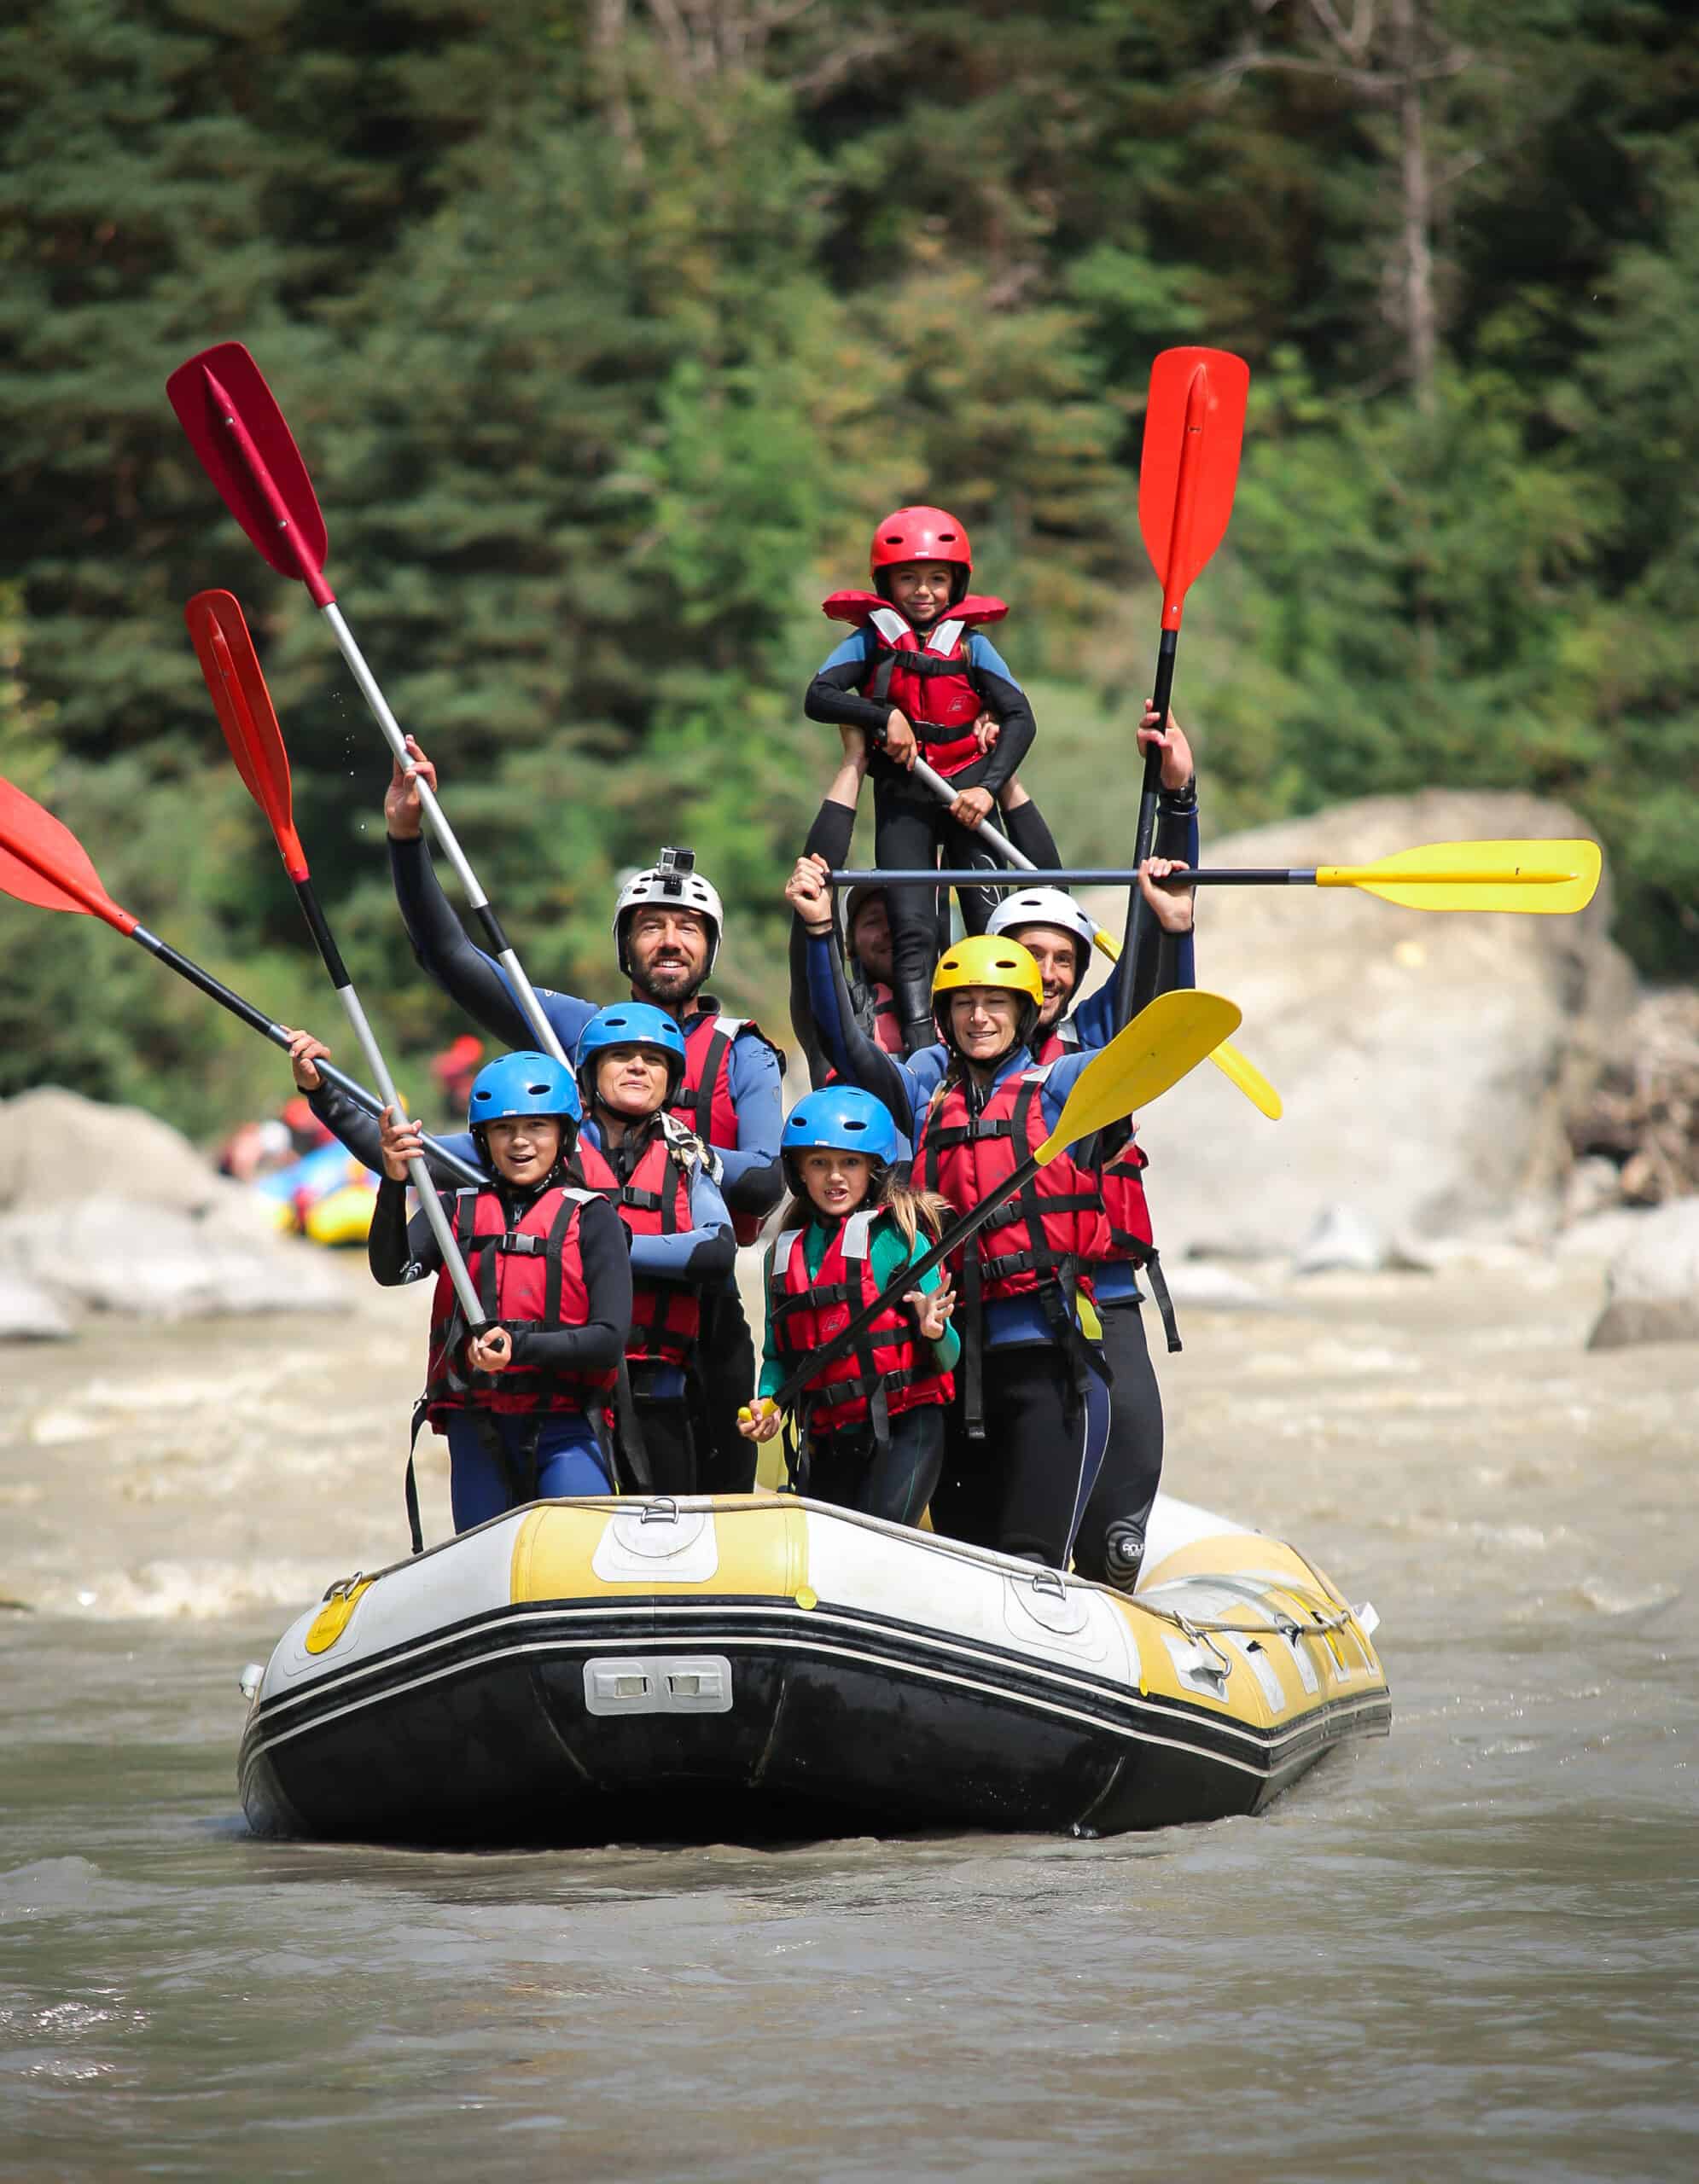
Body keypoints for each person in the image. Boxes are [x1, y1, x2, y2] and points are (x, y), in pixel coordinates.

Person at [381, 741, 783, 1492]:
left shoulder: (742, 1054)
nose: (669, 939)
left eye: (687, 927)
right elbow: (448, 956)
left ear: (710, 949)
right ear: (625, 947)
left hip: (694, 1320)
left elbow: (764, 1181)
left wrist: (676, 1159)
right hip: (575, 1317)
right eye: (650, 925)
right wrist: (407, 841)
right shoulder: (572, 1030)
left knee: (710, 1502)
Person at [787, 901, 1116, 1569]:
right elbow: (844, 1043)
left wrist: (1169, 925)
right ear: (943, 1016)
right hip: (948, 1365)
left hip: (1046, 1360)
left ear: (1024, 1012)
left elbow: (1147, 1028)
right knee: (964, 1558)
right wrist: (819, 933)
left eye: (996, 1003)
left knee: (1028, 1555)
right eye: (964, 1004)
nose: (979, 1017)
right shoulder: (918, 1095)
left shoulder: (1065, 1087)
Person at [976, 707, 1198, 1589]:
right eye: (1028, 955)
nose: (1049, 972)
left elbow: (1159, 1010)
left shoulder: (1097, 1045)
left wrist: (1175, 802)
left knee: (1115, 1535)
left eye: (1064, 956)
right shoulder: (946, 1064)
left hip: (1102, 1301)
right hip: (996, 1317)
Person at [803, 506, 1066, 1055]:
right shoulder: (871, 643)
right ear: (886, 583)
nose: (923, 591)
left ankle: (1010, 1042)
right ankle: (926, 1049)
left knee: (989, 924)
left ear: (956, 584)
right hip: (905, 797)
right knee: (914, 929)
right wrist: (884, 717)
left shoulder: (972, 645)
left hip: (969, 794)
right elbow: (819, 697)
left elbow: (1021, 718)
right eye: (908, 578)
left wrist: (987, 787)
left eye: (937, 579)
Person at [367, 1050, 633, 1540]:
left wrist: (519, 1347)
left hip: (566, 1425)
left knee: (575, 1552)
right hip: (478, 1428)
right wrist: (393, 1182)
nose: (519, 1142)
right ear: (483, 1140)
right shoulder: (453, 1210)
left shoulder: (593, 1218)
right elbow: (392, 1270)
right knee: (485, 1551)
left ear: (564, 1135)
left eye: (536, 1126)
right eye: (503, 1130)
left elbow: (608, 1340)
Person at [740, 1087, 958, 1527]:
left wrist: (934, 1330)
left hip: (905, 1427)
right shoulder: (781, 1256)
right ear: (799, 1171)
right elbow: (778, 1357)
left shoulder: (901, 1239)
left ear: (875, 1169)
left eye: (850, 1163)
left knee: (878, 1546)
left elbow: (949, 1356)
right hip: (829, 1437)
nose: (835, 1177)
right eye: (820, 1163)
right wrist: (769, 1402)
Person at [570, 1002, 735, 1494]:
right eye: (620, 1055)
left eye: (654, 1059)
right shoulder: (548, 1149)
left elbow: (715, 1251)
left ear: (671, 1078)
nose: (638, 1066)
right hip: (568, 1397)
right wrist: (326, 1096)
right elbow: (423, 1157)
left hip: (659, 1394)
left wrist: (613, 1246)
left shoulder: (687, 1159)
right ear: (591, 1072)